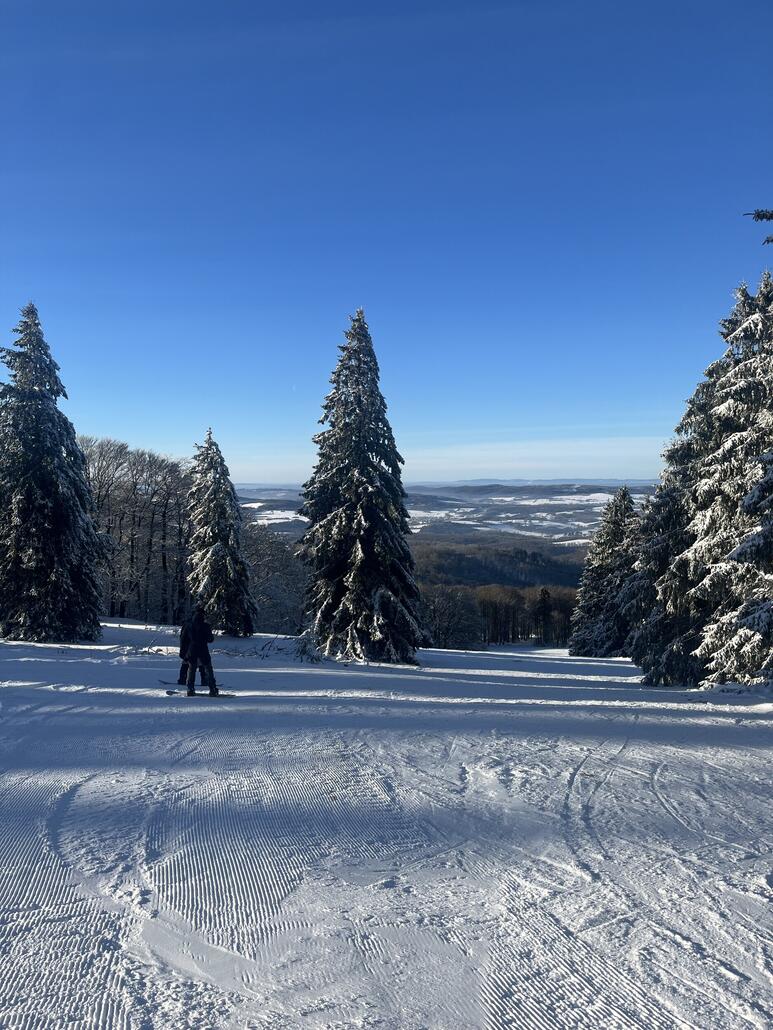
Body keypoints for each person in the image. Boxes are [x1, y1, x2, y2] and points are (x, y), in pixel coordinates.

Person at [179, 605, 218, 696]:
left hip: (192, 649)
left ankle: (190, 689)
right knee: (208, 668)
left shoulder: (188, 625)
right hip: (203, 649)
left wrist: (183, 652)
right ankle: (212, 688)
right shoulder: (206, 626)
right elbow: (210, 639)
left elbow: (183, 639)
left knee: (191, 669)